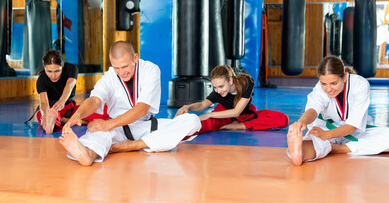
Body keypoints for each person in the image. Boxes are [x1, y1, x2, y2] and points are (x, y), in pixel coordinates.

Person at [59, 41, 201, 166]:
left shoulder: (151, 70)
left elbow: (142, 109)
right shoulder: (109, 76)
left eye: (125, 66)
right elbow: (95, 99)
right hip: (118, 128)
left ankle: (133, 145)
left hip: (146, 127)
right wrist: (78, 115)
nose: (121, 72)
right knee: (99, 133)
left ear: (135, 57)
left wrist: (107, 124)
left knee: (193, 121)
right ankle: (87, 155)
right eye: (116, 67)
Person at [287, 56, 389, 165]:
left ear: (345, 76)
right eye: (324, 83)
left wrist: (327, 136)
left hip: (356, 132)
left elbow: (352, 126)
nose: (328, 88)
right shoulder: (319, 89)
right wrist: (301, 122)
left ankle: (340, 148)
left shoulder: (360, 85)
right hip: (326, 129)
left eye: (334, 83)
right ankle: (300, 154)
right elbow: (313, 110)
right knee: (316, 140)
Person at [175, 65, 288, 133]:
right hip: (224, 112)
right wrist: (187, 107)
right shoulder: (218, 93)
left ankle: (240, 126)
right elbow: (202, 105)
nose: (218, 90)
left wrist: (209, 114)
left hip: (245, 113)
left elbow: (237, 111)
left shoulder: (247, 82)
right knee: (207, 124)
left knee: (283, 119)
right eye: (215, 87)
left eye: (221, 86)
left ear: (230, 80)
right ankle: (179, 129)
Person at [35, 50, 109, 134]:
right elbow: (44, 102)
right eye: (49, 71)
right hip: (52, 109)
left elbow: (69, 85)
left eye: (57, 71)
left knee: (105, 110)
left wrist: (61, 101)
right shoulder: (41, 79)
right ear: (44, 68)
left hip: (69, 107)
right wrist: (45, 117)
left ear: (62, 66)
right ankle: (51, 124)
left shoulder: (71, 68)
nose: (53, 75)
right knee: (41, 115)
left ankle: (65, 121)